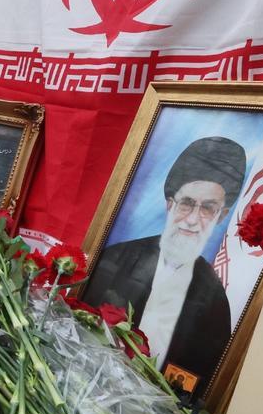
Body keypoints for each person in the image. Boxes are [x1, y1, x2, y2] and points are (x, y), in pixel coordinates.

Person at [83, 136, 246, 396]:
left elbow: (202, 385)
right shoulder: (114, 259)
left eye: (207, 209)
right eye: (187, 203)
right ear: (170, 204)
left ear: (220, 217)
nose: (192, 220)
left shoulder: (214, 299)